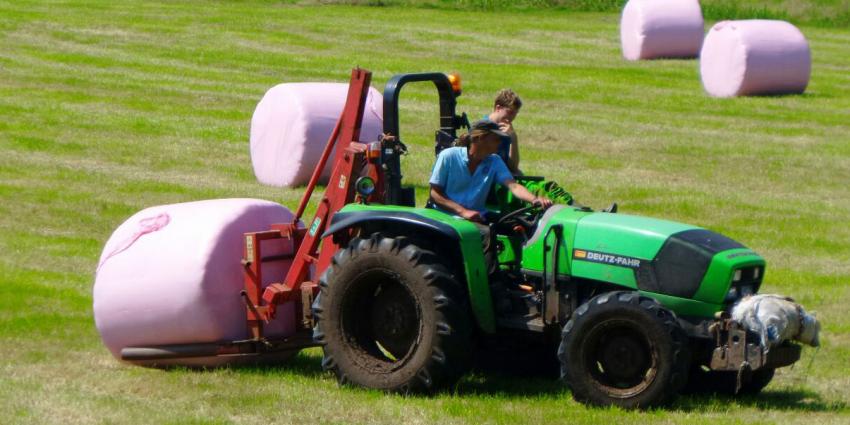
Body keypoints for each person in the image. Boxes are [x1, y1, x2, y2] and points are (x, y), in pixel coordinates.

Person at [430, 120, 552, 274]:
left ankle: (521, 273)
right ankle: (493, 284)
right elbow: (435, 194)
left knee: (524, 223)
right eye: (496, 138)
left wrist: (535, 200)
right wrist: (463, 212)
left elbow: (513, 185)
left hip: (478, 214)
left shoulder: (494, 161)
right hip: (448, 216)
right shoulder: (448, 156)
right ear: (480, 138)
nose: (500, 142)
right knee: (486, 233)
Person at [486, 89, 522, 175]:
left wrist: (513, 138)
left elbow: (513, 167)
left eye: (515, 114)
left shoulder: (506, 130)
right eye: (510, 112)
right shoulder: (482, 128)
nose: (512, 117)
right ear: (498, 108)